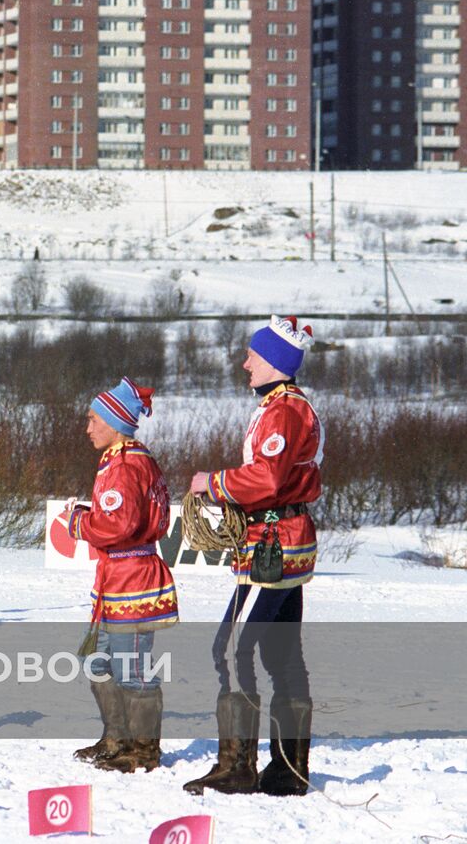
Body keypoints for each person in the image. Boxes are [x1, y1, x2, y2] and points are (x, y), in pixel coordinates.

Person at [183, 315, 321, 798]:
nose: (245, 365)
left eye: (252, 357)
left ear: (275, 362)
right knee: (283, 655)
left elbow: (267, 478)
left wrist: (213, 483)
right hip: (283, 542)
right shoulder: (284, 406)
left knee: (230, 649)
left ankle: (238, 766)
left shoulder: (284, 411)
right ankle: (288, 771)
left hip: (272, 547)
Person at [59, 378, 178, 774]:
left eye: (93, 420)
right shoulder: (123, 460)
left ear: (114, 422)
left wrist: (79, 523)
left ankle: (143, 750)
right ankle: (117, 738)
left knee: (132, 669)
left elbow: (118, 524)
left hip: (132, 580)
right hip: (115, 579)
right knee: (97, 661)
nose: (87, 428)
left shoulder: (126, 464)